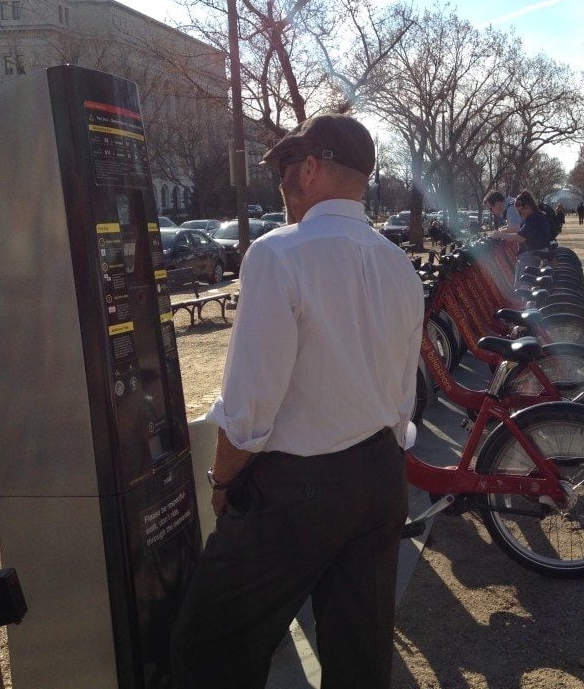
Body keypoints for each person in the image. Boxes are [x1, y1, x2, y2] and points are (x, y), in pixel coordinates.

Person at [170, 114, 425, 689]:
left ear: (311, 167)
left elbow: (250, 406)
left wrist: (222, 481)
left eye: (287, 171)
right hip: (381, 474)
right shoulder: (398, 264)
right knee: (358, 659)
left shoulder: (278, 254)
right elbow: (402, 393)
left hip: (295, 488)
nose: (282, 186)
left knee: (207, 647)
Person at [491, 189, 551, 283]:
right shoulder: (536, 216)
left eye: (521, 212)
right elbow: (520, 227)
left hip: (531, 254)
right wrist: (503, 230)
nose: (520, 214)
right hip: (540, 250)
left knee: (521, 286)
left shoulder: (532, 219)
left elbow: (520, 237)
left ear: (527, 207)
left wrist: (500, 234)